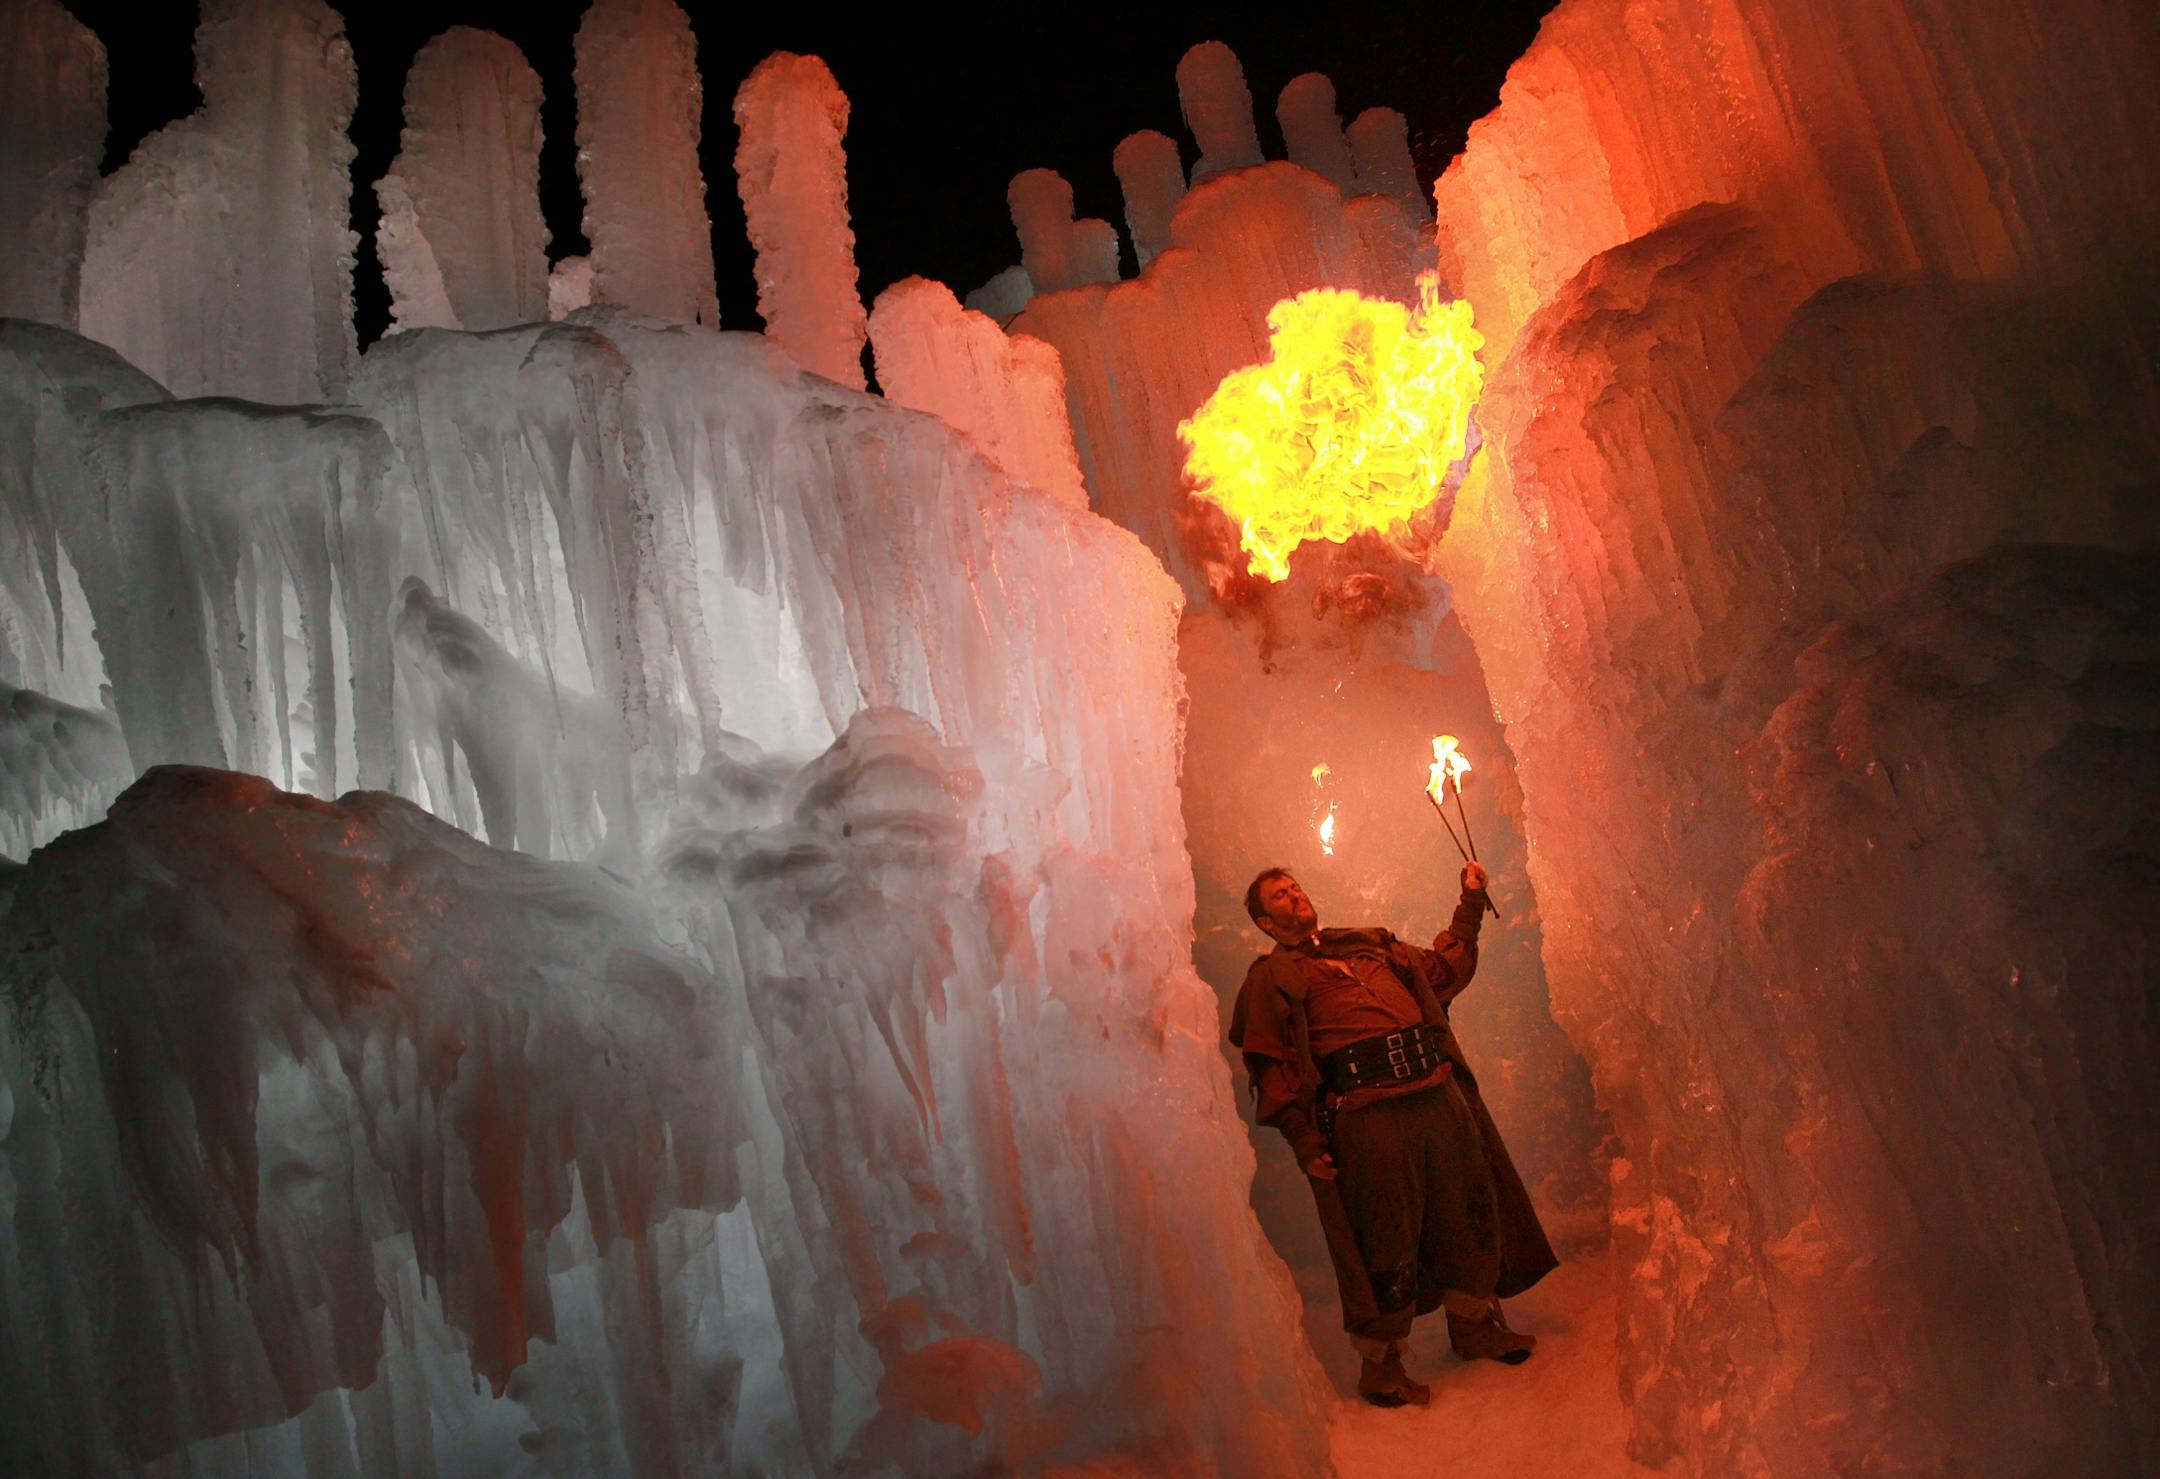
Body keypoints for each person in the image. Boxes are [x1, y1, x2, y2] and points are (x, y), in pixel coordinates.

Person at [1229, 861, 1558, 1407]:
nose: (1294, 896)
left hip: (1435, 1093)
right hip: (1366, 1113)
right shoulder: (1272, 978)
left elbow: (1446, 968)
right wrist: (1304, 1140)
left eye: (1295, 887)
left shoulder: (1372, 949)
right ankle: (1381, 1365)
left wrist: (1471, 901)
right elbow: (1272, 1064)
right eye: (1280, 897)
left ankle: (1476, 1325)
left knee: (1465, 1209)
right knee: (1383, 1231)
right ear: (1266, 922)